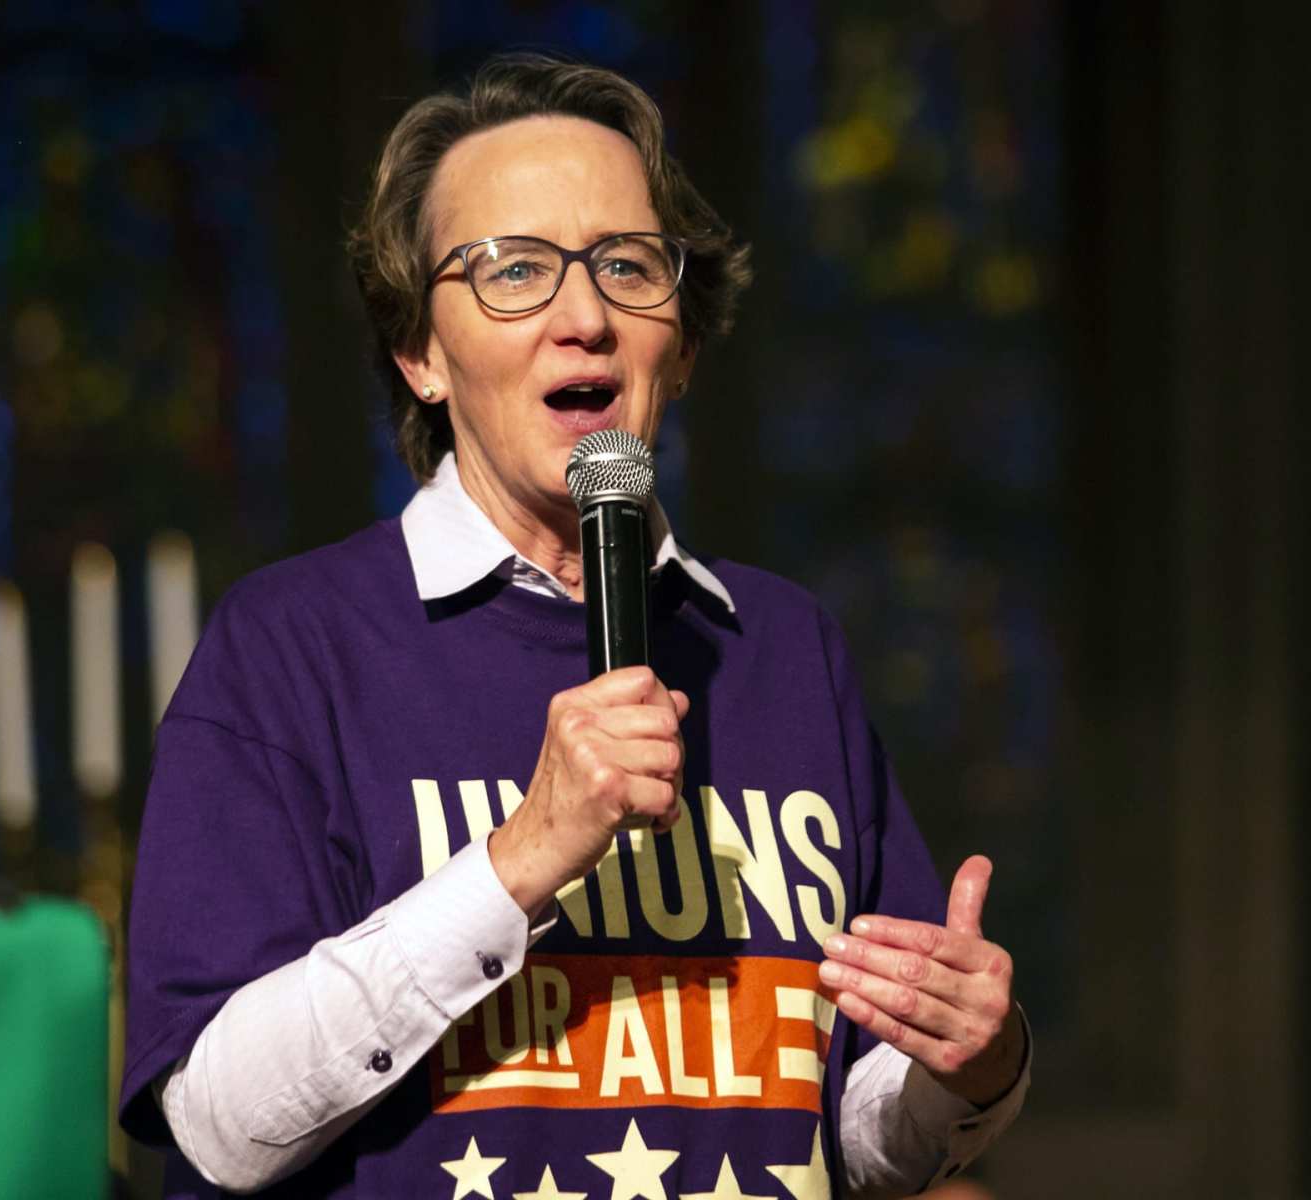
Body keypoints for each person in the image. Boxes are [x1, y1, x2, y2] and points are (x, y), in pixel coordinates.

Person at [121, 53, 1029, 1199]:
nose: (584, 316)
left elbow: (846, 1134)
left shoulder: (785, 648)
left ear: (684, 346)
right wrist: (518, 860)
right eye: (513, 271)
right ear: (420, 354)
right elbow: (213, 1122)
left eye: (627, 266)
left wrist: (968, 1069)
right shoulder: (293, 646)